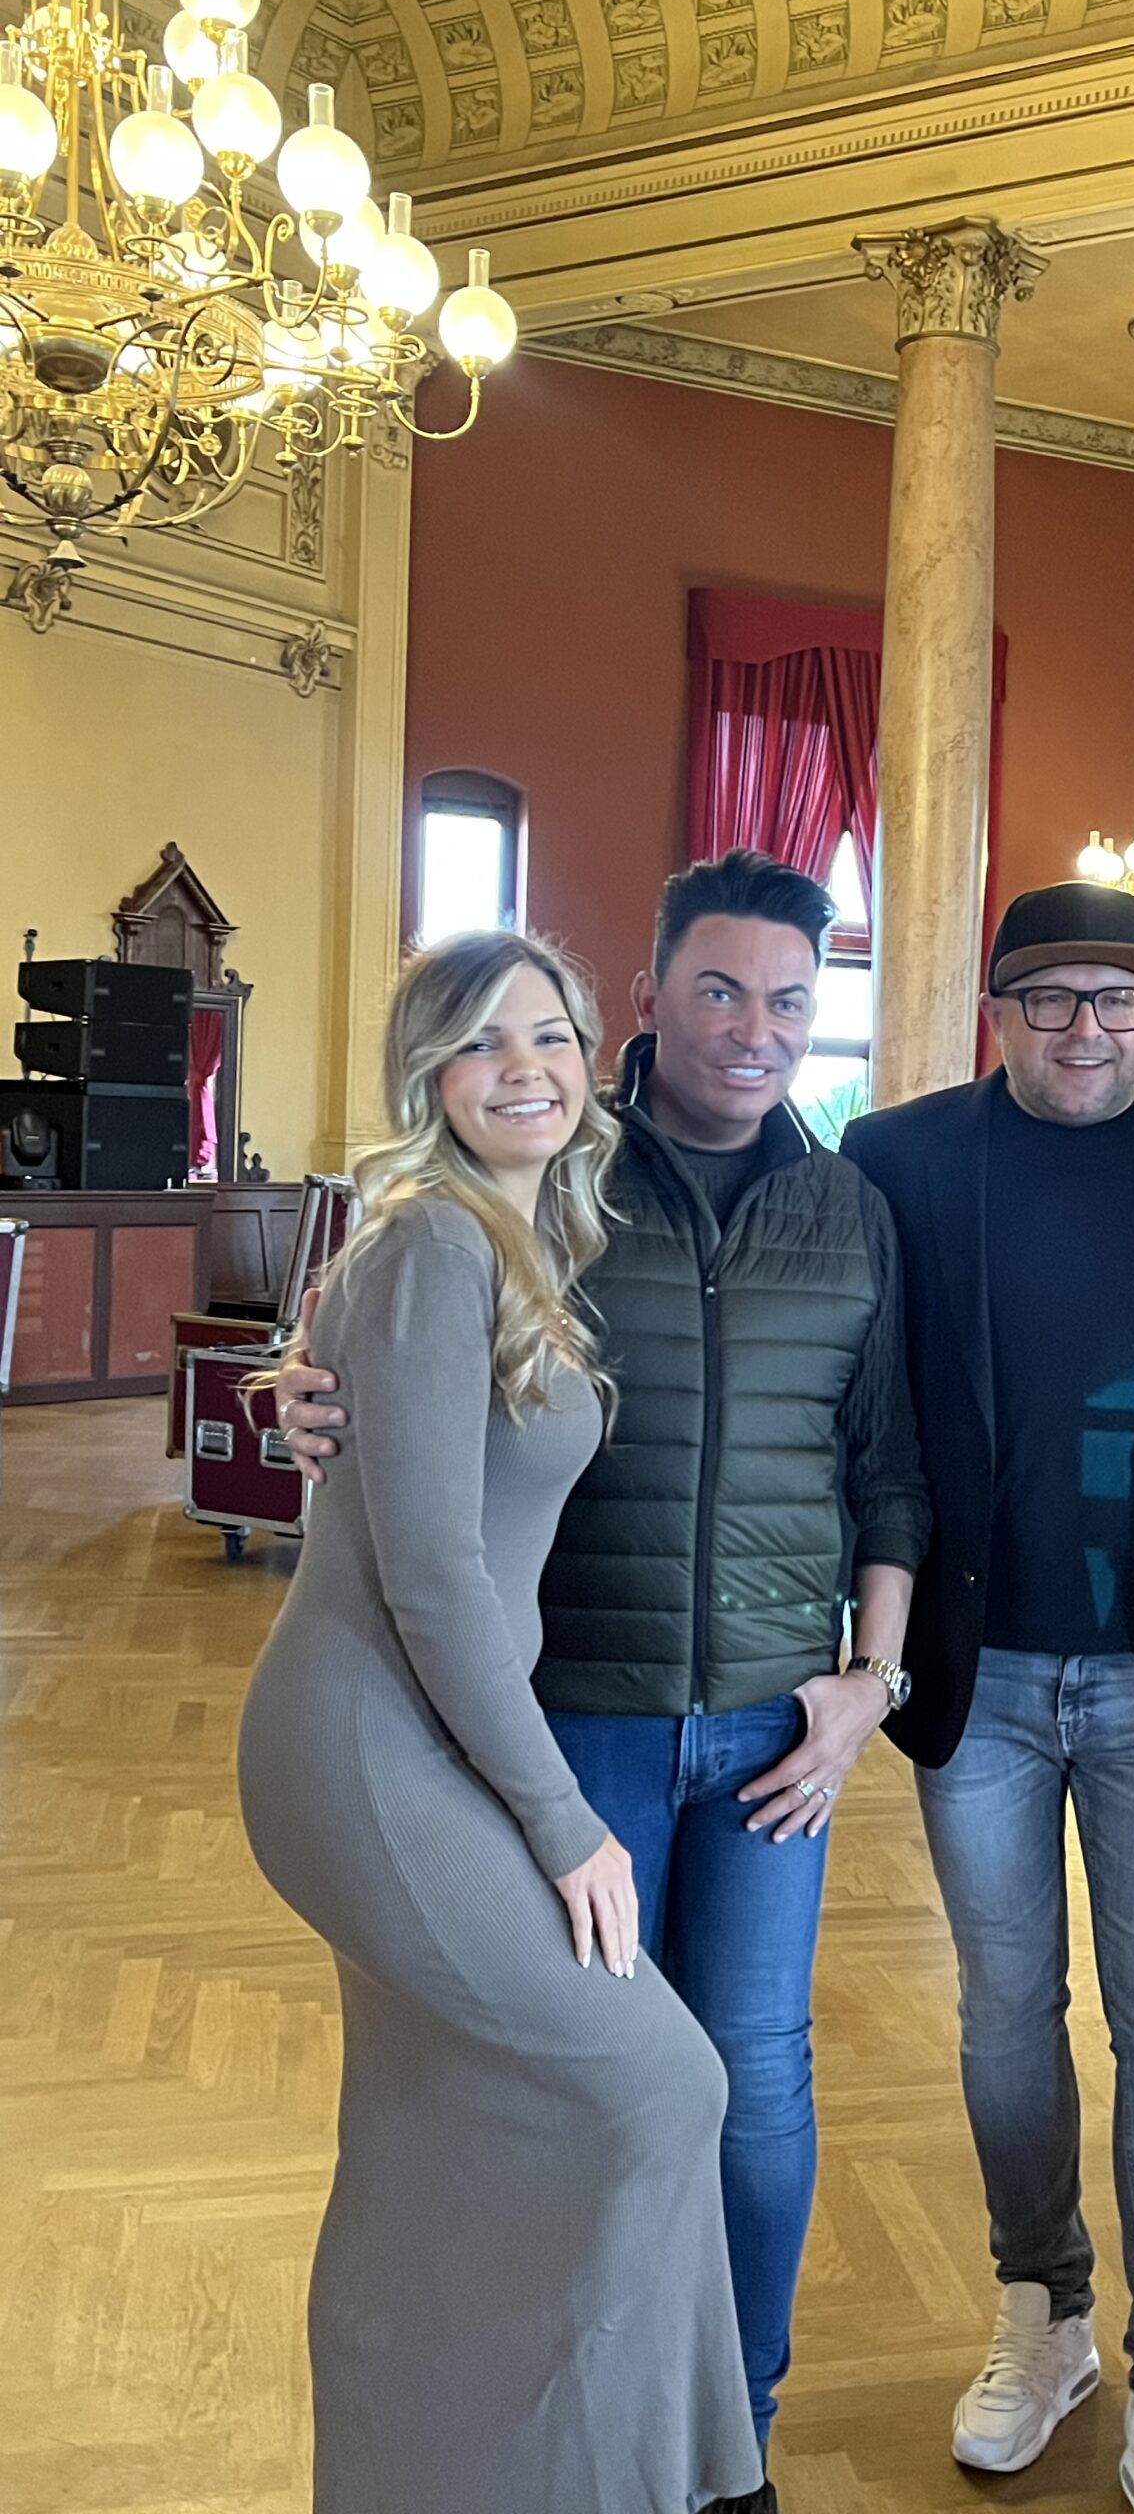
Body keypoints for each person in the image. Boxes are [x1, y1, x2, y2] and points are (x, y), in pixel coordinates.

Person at [276, 853, 931, 2514]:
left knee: (746, 2082)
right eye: (718, 989)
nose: (755, 1028)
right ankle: (550, 2452)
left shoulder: (844, 1208)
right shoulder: (557, 1184)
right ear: (648, 998)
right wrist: (303, 1375)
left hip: (775, 1722)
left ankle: (725, 2443)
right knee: (580, 2089)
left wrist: (873, 1678)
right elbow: (399, 1372)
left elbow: (891, 1466)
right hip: (566, 1720)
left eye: (790, 1001)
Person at [238, 930, 762, 2514]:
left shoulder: (521, 1239)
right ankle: (653, 2480)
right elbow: (434, 1580)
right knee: (662, 2084)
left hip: (427, 1734)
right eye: (478, 1042)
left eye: (546, 1034)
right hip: (370, 1747)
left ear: (592, 1054)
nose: (521, 1067)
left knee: (433, 2135)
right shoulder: (434, 1244)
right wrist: (563, 1821)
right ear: (429, 1078)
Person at [843, 883, 1134, 2514]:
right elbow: (817, 1354)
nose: (1085, 1030)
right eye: (1049, 1000)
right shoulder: (897, 1158)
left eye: (1118, 999)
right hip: (975, 1672)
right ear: (998, 1011)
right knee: (1004, 2014)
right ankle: (1044, 2311)